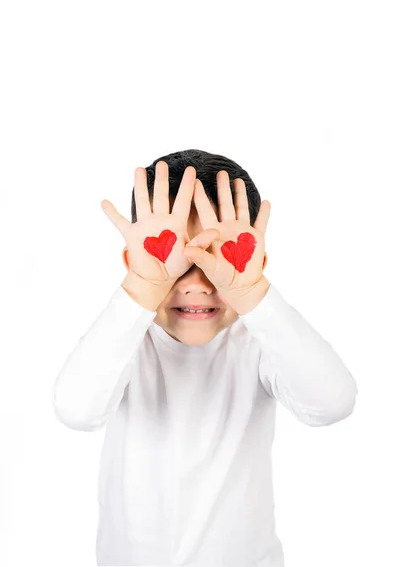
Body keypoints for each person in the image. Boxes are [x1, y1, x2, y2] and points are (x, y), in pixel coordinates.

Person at [52, 149, 358, 566]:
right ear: (132, 263)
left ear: (257, 262)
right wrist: (143, 286)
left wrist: (252, 295)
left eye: (216, 259)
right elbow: (76, 410)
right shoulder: (125, 340)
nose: (197, 284)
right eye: (174, 262)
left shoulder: (257, 341)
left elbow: (332, 403)